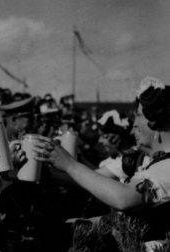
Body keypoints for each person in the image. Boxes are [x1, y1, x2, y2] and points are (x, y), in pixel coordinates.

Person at [37, 76, 170, 241]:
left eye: (139, 116)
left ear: (157, 121)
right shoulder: (146, 159)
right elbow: (96, 178)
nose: (134, 124)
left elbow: (124, 198)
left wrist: (70, 164)